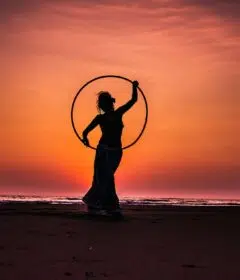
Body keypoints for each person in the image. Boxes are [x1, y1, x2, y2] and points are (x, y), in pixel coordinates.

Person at [81, 80, 139, 218]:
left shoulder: (119, 113)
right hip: (103, 150)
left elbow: (134, 100)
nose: (106, 105)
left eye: (106, 102)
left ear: (110, 103)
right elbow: (85, 131)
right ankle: (106, 206)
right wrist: (85, 139)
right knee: (104, 177)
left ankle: (100, 204)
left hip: (116, 151)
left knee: (107, 177)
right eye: (103, 103)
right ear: (102, 105)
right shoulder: (100, 118)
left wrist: (134, 87)